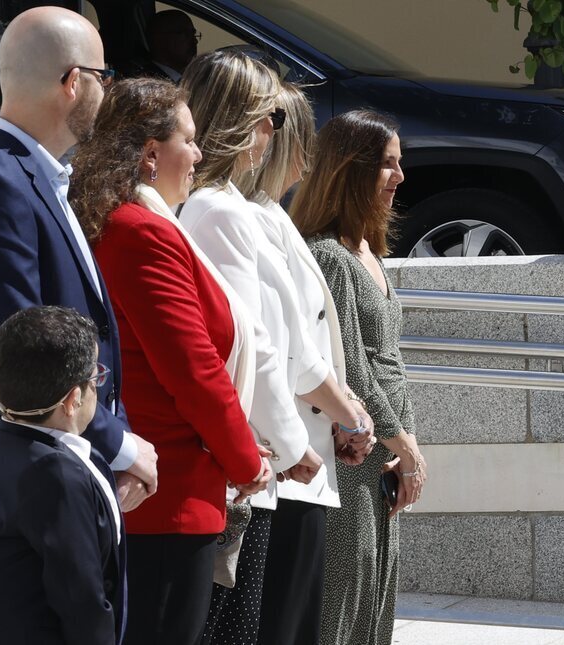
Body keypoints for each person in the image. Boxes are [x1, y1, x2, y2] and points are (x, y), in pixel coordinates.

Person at [69, 77, 277, 645]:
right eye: (190, 139)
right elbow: (192, 368)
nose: (201, 154)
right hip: (168, 498)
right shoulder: (139, 232)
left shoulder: (137, 224)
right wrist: (244, 460)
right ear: (151, 153)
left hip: (171, 492)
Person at [0, 6, 157, 510]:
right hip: (22, 497)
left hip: (60, 478)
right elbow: (25, 351)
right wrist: (120, 446)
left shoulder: (36, 178)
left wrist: (117, 445)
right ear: (73, 82)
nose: (109, 92)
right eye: (106, 77)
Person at [179, 51, 347, 645]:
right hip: (259, 459)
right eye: (268, 116)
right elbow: (256, 346)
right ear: (237, 119)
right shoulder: (218, 210)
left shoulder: (228, 207)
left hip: (267, 459)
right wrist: (293, 443)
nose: (276, 132)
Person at [235, 82, 377, 645]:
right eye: (300, 140)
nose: (306, 158)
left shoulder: (271, 215)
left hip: (306, 458)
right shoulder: (243, 216)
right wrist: (352, 415)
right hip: (288, 459)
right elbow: (285, 352)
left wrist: (345, 413)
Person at [291, 109, 428, 645]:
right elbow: (355, 373)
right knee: (344, 606)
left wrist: (404, 447)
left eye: (399, 163)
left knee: (375, 604)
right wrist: (409, 449)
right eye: (387, 165)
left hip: (385, 456)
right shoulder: (329, 257)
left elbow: (389, 364)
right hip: (353, 457)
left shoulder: (366, 251)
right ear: (352, 169)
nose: (400, 176)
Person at [0, 306, 125, 645]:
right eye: (96, 378)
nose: (98, 386)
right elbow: (82, 601)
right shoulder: (56, 474)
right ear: (73, 399)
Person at [143, 9, 198, 81]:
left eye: (193, 34)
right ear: (159, 39)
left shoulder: (188, 80)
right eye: (185, 34)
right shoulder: (149, 83)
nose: (195, 41)